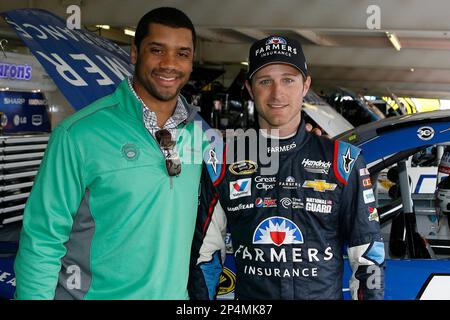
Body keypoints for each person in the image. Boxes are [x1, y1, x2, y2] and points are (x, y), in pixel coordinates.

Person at [14, 7, 214, 300]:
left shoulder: (203, 138)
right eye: (157, 50)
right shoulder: (78, 135)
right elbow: (42, 239)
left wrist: (307, 140)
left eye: (182, 53)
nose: (170, 64)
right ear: (135, 53)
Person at [188, 35, 385, 300]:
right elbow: (205, 257)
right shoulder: (222, 161)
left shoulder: (342, 161)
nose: (277, 93)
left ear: (306, 86)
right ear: (249, 88)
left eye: (288, 80)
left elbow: (368, 257)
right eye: (265, 81)